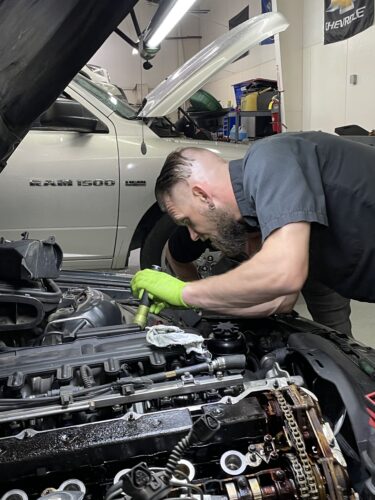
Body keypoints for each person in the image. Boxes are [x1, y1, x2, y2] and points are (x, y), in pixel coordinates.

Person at [131, 131, 375, 327]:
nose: (192, 235)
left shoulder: (270, 158)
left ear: (202, 195)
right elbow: (280, 301)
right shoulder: (259, 214)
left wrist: (184, 292)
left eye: (187, 221)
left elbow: (282, 274)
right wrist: (196, 305)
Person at [166, 226, 353, 335]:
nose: (250, 249)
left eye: (256, 239)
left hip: (316, 256)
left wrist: (194, 296)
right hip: (238, 259)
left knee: (337, 334)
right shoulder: (208, 223)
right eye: (242, 242)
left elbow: (283, 301)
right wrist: (196, 292)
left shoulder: (283, 215)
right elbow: (176, 255)